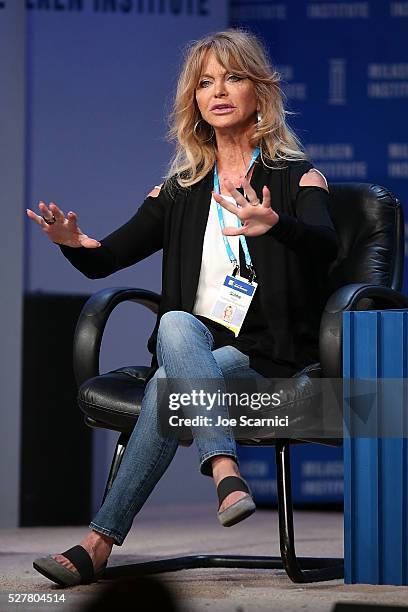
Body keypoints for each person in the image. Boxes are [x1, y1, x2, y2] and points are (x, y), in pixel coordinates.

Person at [27, 29, 338, 587]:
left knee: (170, 376)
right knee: (175, 327)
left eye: (233, 77)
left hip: (264, 355)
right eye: (204, 82)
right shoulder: (180, 188)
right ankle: (226, 471)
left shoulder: (296, 177)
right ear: (193, 101)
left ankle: (97, 544)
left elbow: (326, 247)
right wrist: (73, 242)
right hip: (193, 345)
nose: (217, 91)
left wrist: (277, 225)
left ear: (260, 93)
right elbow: (107, 257)